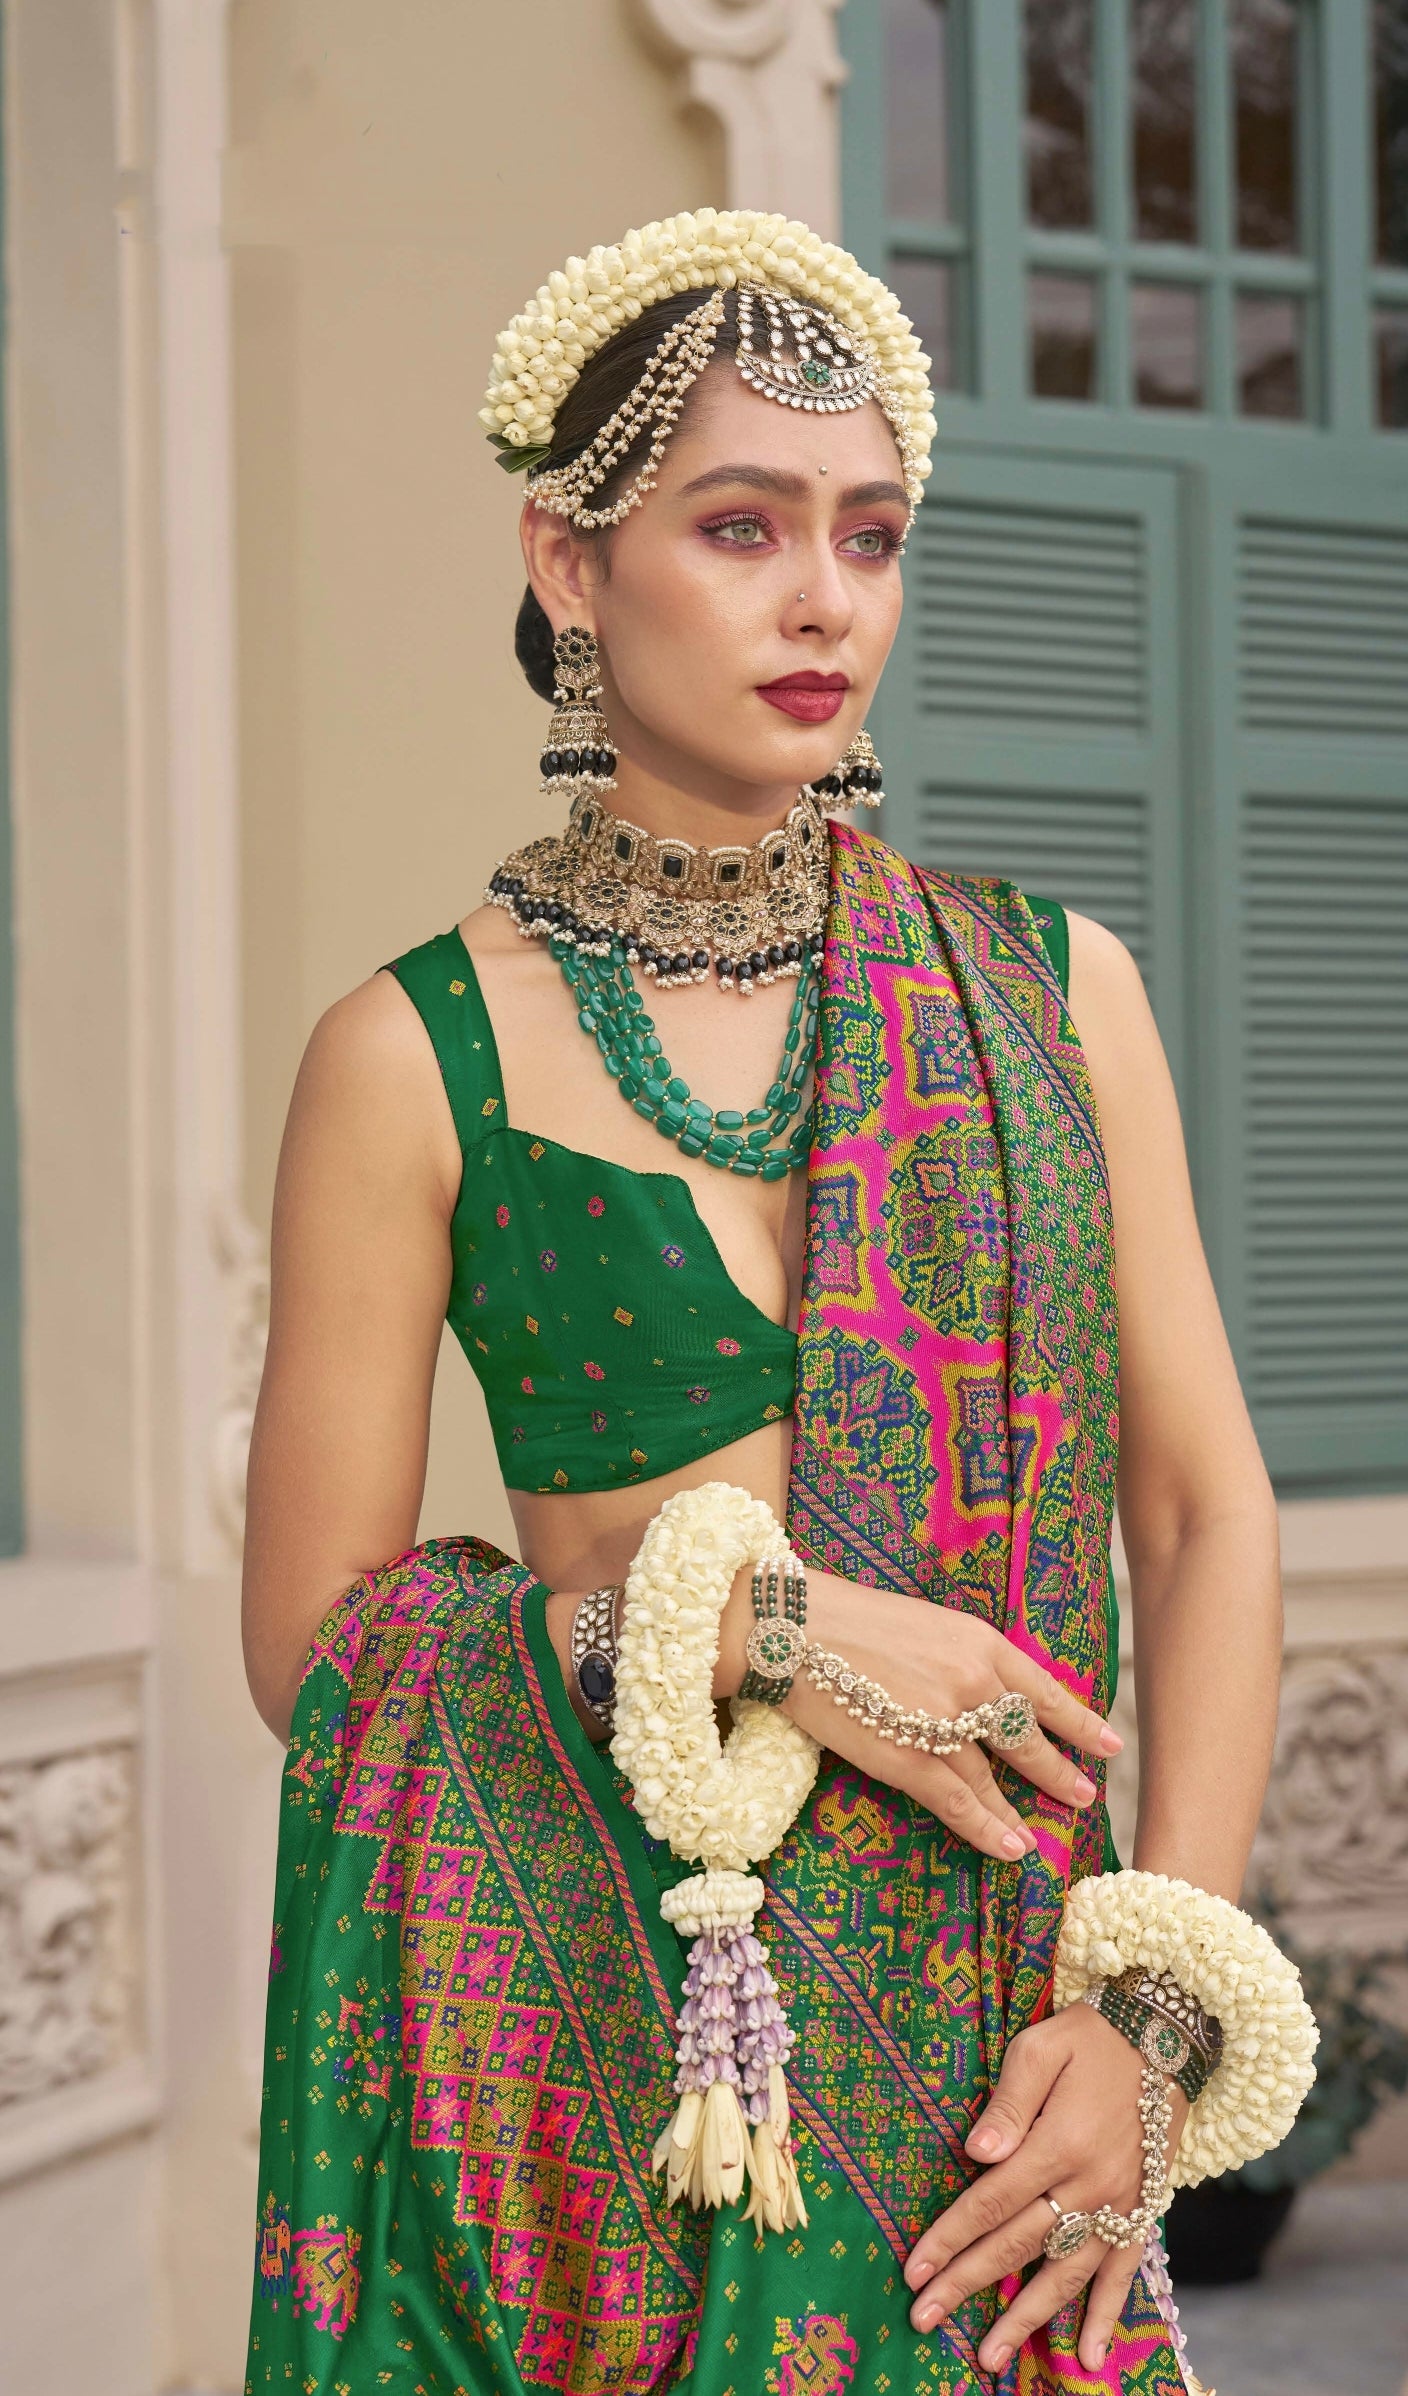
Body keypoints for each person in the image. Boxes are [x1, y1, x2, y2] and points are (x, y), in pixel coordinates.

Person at [241, 210, 1304, 2396]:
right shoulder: (413, 1054)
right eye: (742, 527)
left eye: (870, 535)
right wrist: (760, 1624)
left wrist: (1143, 2020)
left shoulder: (1049, 999)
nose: (826, 600)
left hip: (1020, 2081)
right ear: (570, 562)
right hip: (619, 2084)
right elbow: (319, 1645)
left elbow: (1206, 1521)